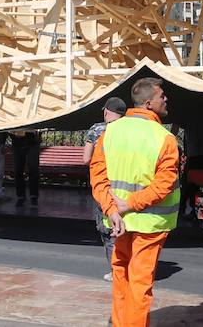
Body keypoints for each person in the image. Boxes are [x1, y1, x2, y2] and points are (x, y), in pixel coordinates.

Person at [90, 78, 179, 327]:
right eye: (162, 95)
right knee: (140, 283)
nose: (166, 99)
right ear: (149, 103)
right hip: (150, 224)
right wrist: (129, 205)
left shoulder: (110, 132)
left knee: (121, 276)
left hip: (118, 221)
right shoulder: (165, 138)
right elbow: (163, 186)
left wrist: (113, 209)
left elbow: (98, 178)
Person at [83, 96, 127, 280]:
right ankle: (130, 266)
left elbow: (86, 159)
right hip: (126, 184)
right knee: (127, 227)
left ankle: (117, 271)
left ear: (106, 111)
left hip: (104, 185)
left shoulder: (97, 129)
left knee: (108, 229)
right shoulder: (130, 129)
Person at [9, 128, 42, 206]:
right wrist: (3, 141)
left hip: (32, 142)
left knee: (33, 169)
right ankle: (21, 196)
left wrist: (39, 135)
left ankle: (33, 196)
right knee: (18, 171)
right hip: (17, 143)